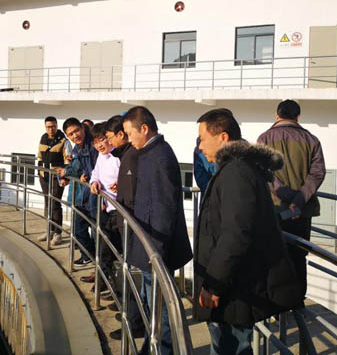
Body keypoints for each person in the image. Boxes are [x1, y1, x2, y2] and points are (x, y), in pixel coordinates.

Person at [194, 108, 302, 355]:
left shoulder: (235, 172)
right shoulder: (239, 168)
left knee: (230, 347)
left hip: (233, 289)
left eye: (202, 138)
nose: (200, 146)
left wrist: (213, 285)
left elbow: (236, 233)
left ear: (223, 137)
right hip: (234, 284)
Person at [123, 106, 193, 355]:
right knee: (151, 303)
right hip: (149, 244)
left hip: (154, 247)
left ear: (144, 129)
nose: (128, 139)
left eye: (129, 133)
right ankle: (151, 346)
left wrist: (157, 252)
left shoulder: (159, 157)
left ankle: (162, 350)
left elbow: (164, 207)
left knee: (159, 306)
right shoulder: (151, 153)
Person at [257, 99, 326, 299]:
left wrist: (285, 195)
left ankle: (277, 302)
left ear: (277, 115)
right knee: (298, 255)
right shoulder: (312, 140)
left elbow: (264, 172)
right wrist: (299, 200)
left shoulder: (264, 138)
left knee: (275, 254)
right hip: (302, 211)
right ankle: (297, 301)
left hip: (275, 209)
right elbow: (318, 173)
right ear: (298, 117)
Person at [104, 114, 145, 339]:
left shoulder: (131, 156)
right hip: (127, 223)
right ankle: (132, 315)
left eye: (111, 137)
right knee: (129, 272)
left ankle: (135, 321)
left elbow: (132, 196)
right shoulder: (128, 155)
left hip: (130, 225)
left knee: (132, 273)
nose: (109, 142)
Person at [81, 123, 120, 292]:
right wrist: (94, 182)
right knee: (103, 246)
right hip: (105, 208)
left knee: (111, 248)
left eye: (102, 139)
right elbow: (95, 173)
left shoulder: (117, 157)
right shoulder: (101, 157)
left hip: (118, 209)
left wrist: (121, 184)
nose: (99, 145)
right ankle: (103, 279)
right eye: (95, 142)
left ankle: (108, 283)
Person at [58, 117, 98, 267]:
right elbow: (76, 167)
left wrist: (70, 173)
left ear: (82, 128)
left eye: (76, 131)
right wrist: (65, 174)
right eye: (71, 134)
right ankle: (90, 257)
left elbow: (92, 167)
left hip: (93, 195)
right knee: (78, 229)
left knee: (96, 233)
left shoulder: (93, 145)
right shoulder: (77, 148)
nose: (75, 135)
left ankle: (96, 262)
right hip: (84, 196)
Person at [37, 116, 66, 245]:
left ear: (56, 126)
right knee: (47, 203)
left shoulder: (63, 140)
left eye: (53, 126)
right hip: (44, 175)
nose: (51, 129)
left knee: (55, 203)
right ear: (45, 127)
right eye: (48, 127)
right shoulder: (43, 138)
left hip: (56, 176)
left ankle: (58, 233)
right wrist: (39, 170)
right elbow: (39, 155)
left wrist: (64, 176)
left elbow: (68, 159)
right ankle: (49, 230)